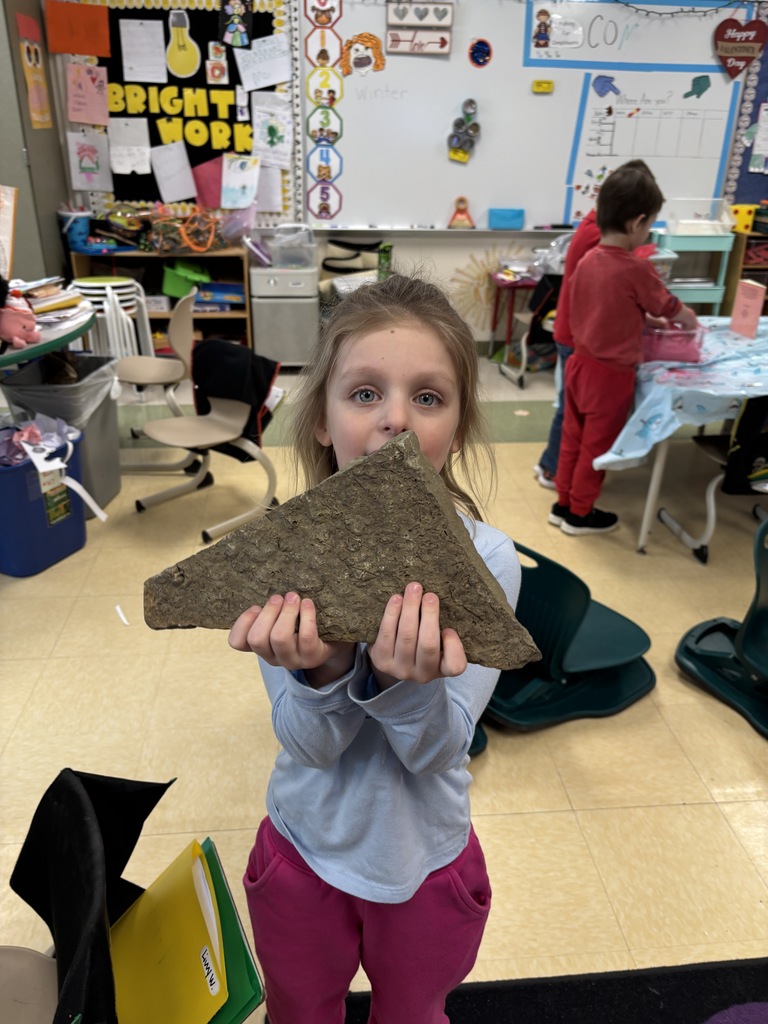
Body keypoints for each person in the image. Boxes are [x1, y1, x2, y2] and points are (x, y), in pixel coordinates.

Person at [228, 274, 523, 1024]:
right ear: (323, 418)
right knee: (297, 1010)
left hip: (424, 861)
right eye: (364, 394)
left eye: (428, 397)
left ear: (455, 425)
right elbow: (308, 744)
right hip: (304, 849)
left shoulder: (487, 562)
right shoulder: (282, 557)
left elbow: (437, 751)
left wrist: (407, 685)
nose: (395, 418)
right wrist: (320, 666)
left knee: (415, 1013)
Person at [550, 166, 699, 536]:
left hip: (579, 366)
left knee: (573, 436)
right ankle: (580, 515)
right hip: (609, 375)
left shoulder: (587, 260)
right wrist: (688, 319)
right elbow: (665, 303)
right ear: (637, 223)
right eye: (649, 225)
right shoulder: (634, 267)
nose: (648, 232)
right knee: (596, 446)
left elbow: (607, 310)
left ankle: (562, 502)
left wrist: (645, 324)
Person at [533, 159, 659, 490]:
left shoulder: (596, 229)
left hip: (579, 337)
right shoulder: (599, 241)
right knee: (583, 425)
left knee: (572, 415)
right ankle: (557, 475)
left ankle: (559, 477)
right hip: (584, 343)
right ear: (635, 218)